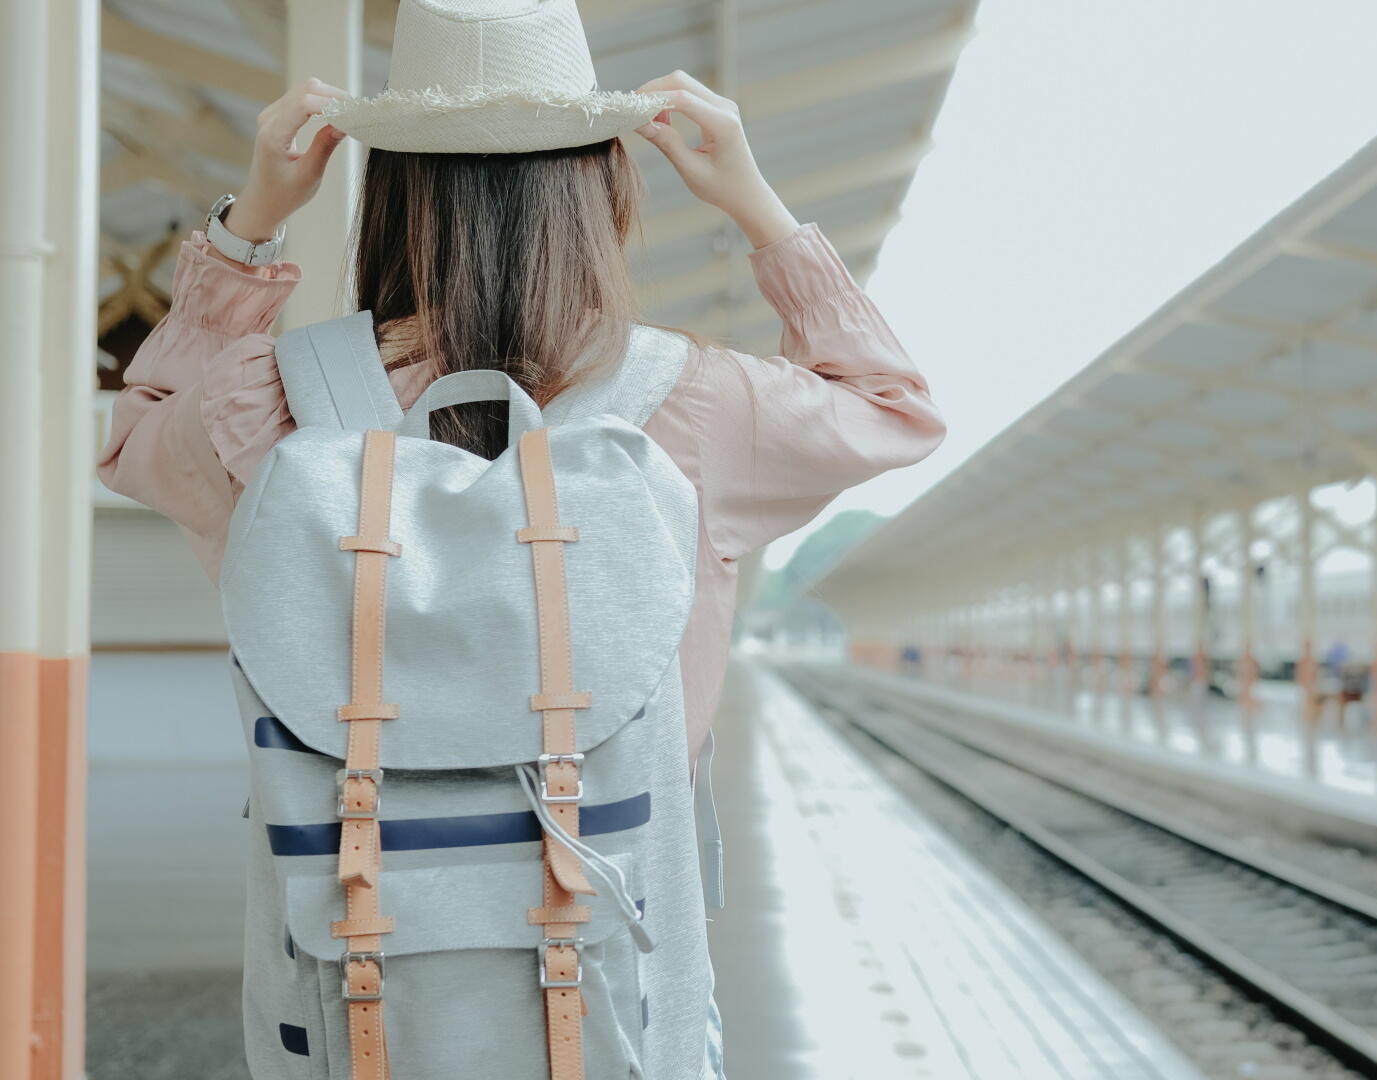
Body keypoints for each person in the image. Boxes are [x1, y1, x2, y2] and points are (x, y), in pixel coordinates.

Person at [96, 2, 943, 1074]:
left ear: (387, 191)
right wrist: (754, 203)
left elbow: (134, 434)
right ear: (605, 188)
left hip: (351, 992)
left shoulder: (273, 401)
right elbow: (893, 409)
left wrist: (248, 224)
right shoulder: (696, 405)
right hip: (615, 993)